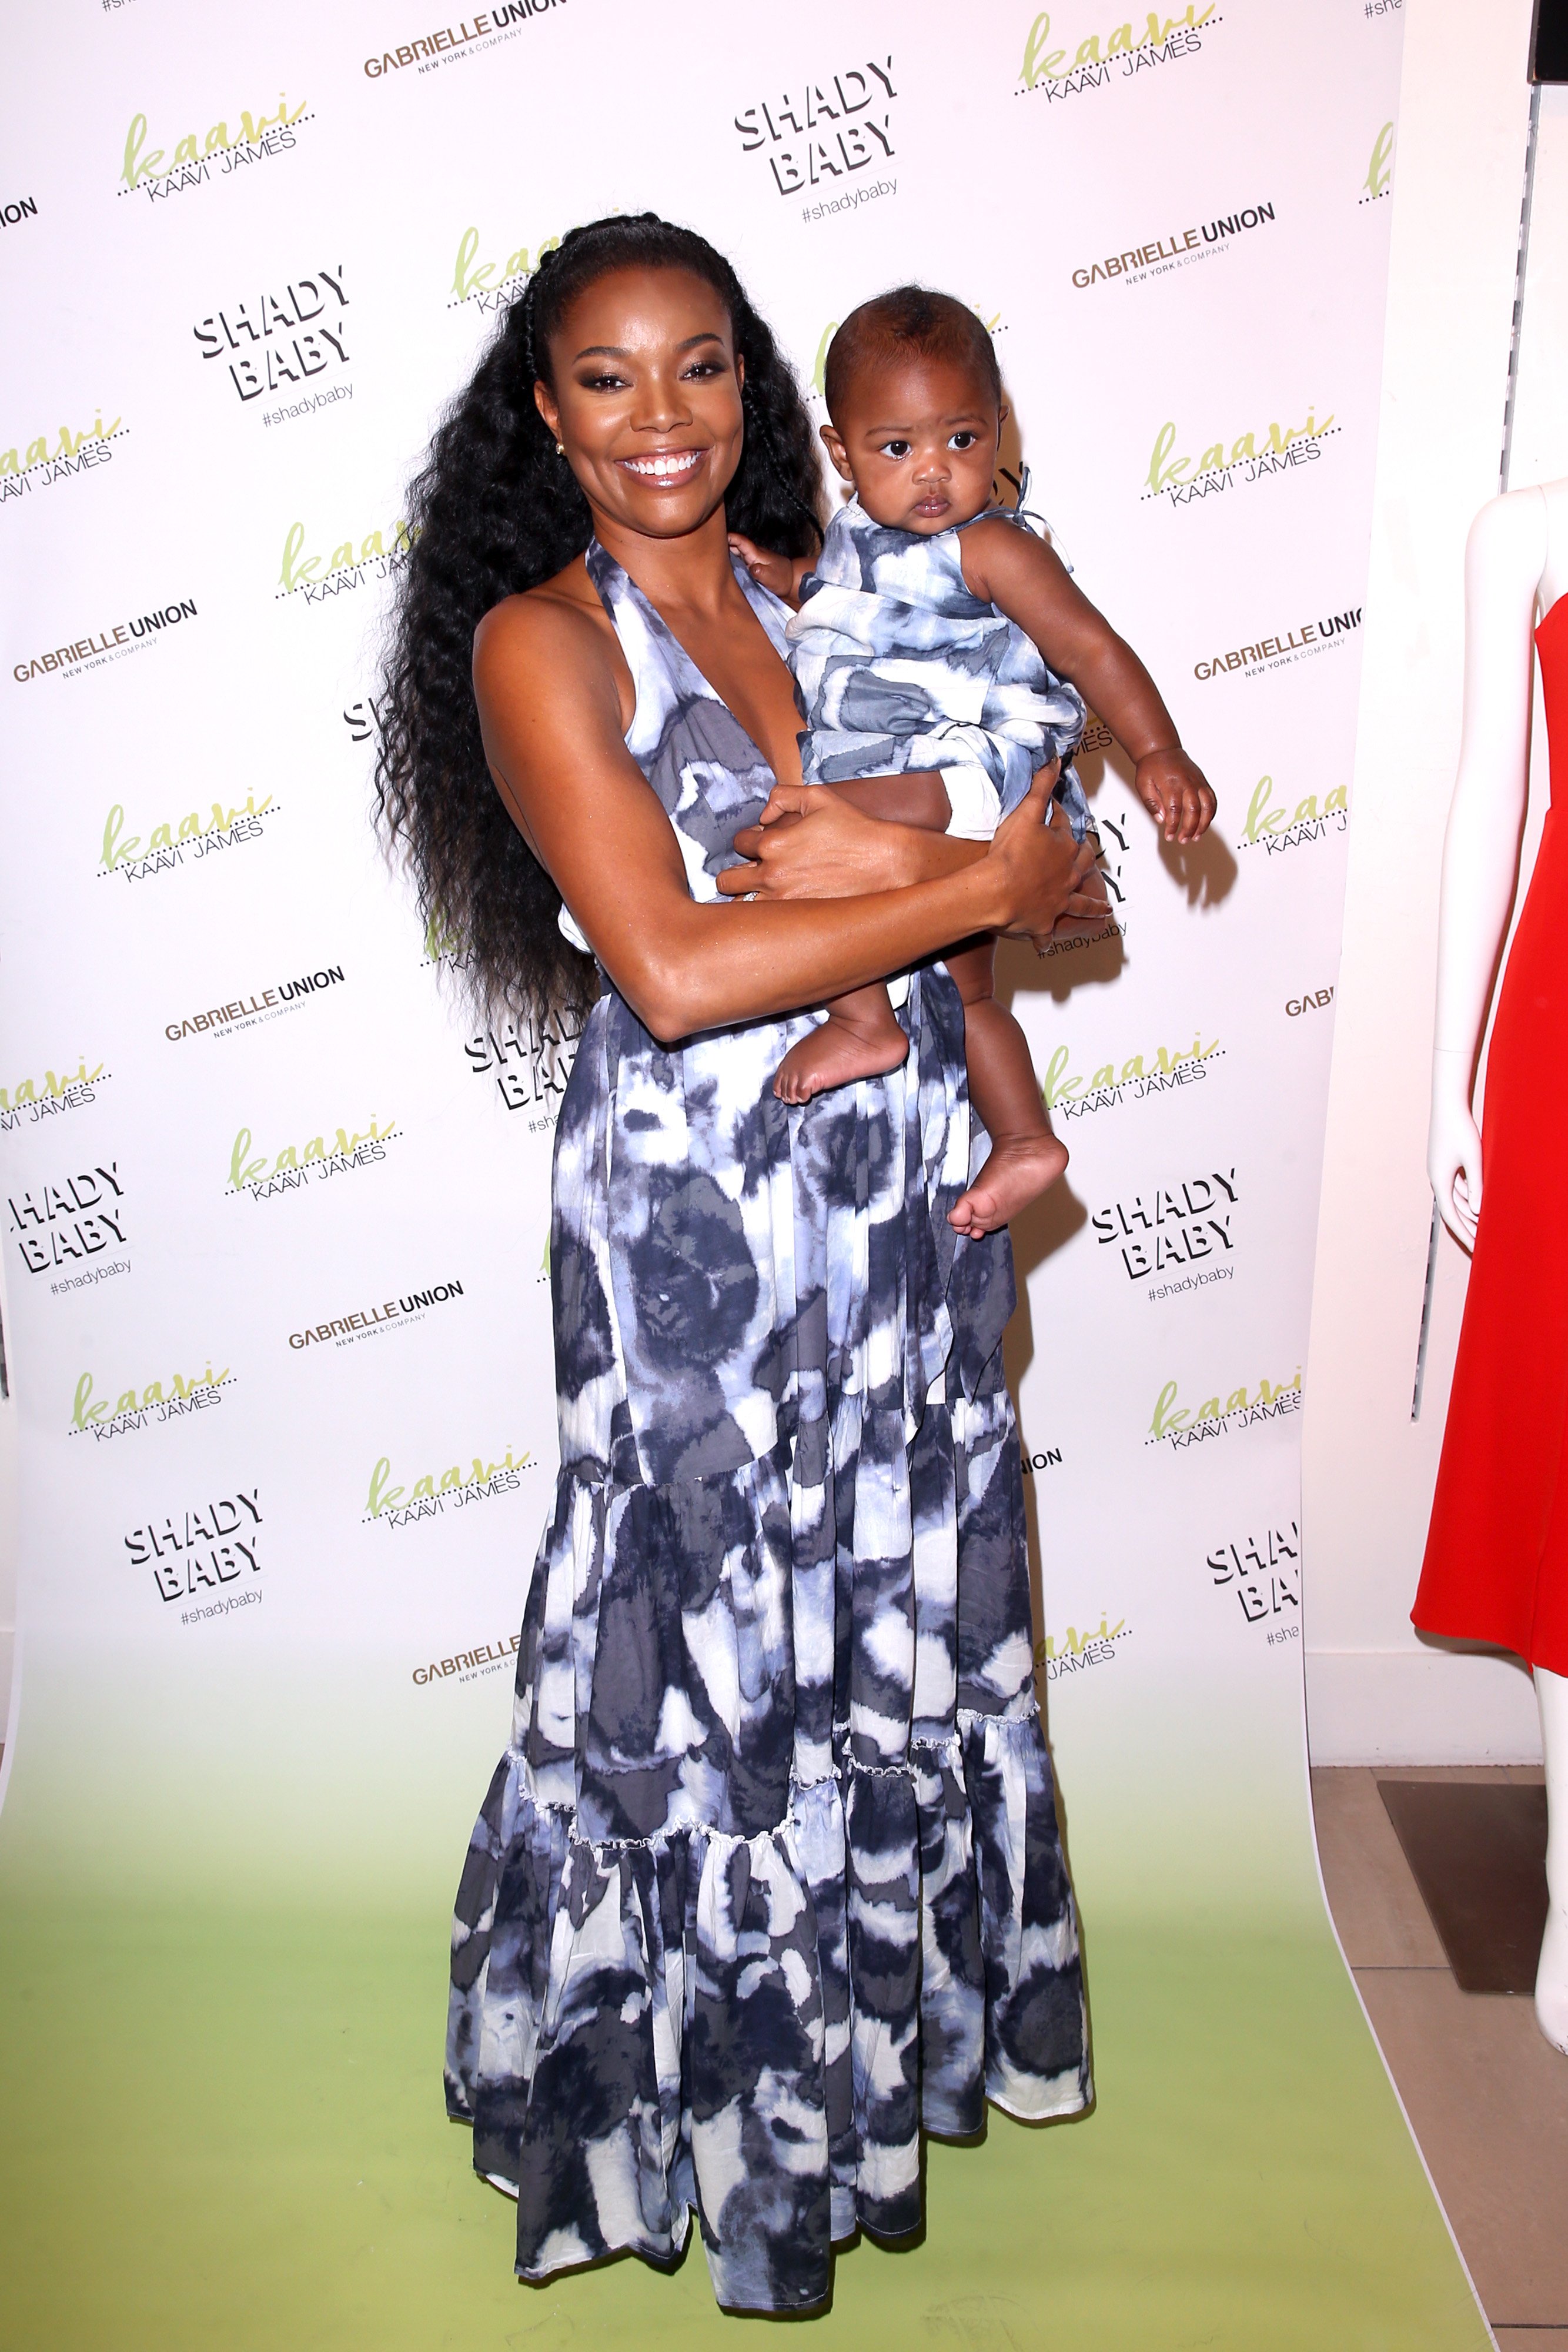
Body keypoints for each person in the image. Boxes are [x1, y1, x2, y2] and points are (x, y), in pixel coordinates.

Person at [376, 213, 1102, 2317]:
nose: (661, 419)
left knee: (880, 1609)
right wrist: (956, 869)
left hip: (903, 1188)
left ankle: (861, 2077)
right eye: (606, 378)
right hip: (698, 1227)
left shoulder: (836, 578)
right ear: (545, 412)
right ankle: (654, 2105)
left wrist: (955, 861)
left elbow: (1050, 819)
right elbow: (685, 966)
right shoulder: (546, 644)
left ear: (759, 394)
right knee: (691, 1642)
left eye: (700, 367)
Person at [732, 286, 1216, 1237]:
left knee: (793, 836)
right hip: (926, 781)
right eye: (896, 448)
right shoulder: (850, 545)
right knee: (968, 989)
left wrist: (1158, 749)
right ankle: (1027, 1138)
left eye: (960, 441)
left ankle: (867, 1026)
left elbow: (1091, 650)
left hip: (973, 769)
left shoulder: (991, 545)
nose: (933, 475)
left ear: (999, 431)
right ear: (842, 454)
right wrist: (788, 582)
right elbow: (852, 609)